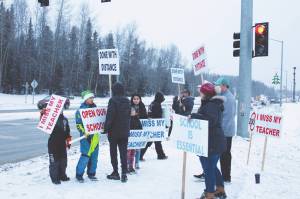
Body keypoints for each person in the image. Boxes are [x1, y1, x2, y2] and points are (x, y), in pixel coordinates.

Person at [189, 83, 227, 199]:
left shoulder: (211, 105)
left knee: (208, 169)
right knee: (212, 167)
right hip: (211, 141)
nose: (199, 93)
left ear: (206, 93)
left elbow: (210, 121)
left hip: (212, 142)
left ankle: (209, 194)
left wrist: (195, 116)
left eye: (201, 92)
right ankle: (220, 190)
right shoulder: (211, 104)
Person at [105, 82, 131, 183]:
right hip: (124, 131)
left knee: (113, 152)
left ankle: (115, 172)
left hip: (114, 131)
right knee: (123, 153)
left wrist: (106, 128)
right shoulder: (127, 101)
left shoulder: (113, 100)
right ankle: (124, 173)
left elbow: (110, 116)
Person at [40, 103, 72, 185]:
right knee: (54, 161)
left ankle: (62, 176)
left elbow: (67, 131)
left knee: (63, 161)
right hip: (53, 143)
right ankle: (55, 178)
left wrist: (68, 140)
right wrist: (43, 114)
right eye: (59, 109)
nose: (60, 110)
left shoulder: (65, 119)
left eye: (62, 109)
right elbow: (43, 123)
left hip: (62, 143)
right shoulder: (51, 118)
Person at [215, 77, 236, 183]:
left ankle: (226, 177)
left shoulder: (228, 98)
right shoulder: (223, 96)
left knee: (225, 154)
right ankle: (224, 176)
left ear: (224, 86)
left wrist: (220, 130)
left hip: (225, 131)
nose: (217, 87)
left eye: (218, 85)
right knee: (222, 153)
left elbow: (226, 117)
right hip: (225, 130)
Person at [75, 90, 99, 183]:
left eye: (92, 98)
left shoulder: (95, 108)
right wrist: (83, 132)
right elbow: (78, 124)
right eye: (90, 98)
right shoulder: (80, 110)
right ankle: (79, 174)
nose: (92, 99)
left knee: (94, 156)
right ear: (86, 99)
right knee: (85, 155)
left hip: (95, 137)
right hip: (86, 137)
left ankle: (91, 173)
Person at [140, 92, 168, 160]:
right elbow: (158, 116)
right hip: (155, 125)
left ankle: (160, 155)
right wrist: (162, 123)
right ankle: (160, 155)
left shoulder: (152, 103)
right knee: (153, 141)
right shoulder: (157, 105)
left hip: (151, 124)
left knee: (152, 141)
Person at [127, 94, 148, 173]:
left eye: (137, 99)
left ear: (140, 99)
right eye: (134, 99)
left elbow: (145, 116)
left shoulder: (142, 107)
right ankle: (128, 165)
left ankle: (136, 163)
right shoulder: (129, 107)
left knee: (138, 148)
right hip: (131, 130)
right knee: (130, 150)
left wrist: (147, 118)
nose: (136, 100)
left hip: (139, 129)